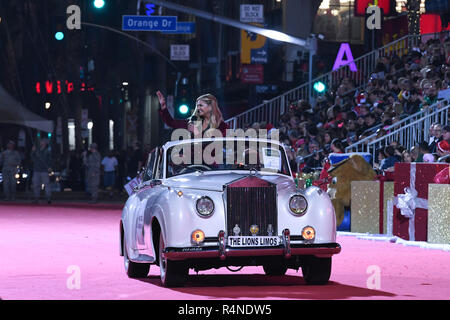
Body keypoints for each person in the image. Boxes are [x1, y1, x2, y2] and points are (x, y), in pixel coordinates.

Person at [156, 91, 229, 137]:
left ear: (210, 107)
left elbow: (216, 147)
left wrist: (198, 134)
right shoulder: (192, 122)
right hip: (190, 160)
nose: (198, 108)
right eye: (197, 106)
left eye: (201, 105)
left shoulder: (222, 126)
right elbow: (171, 122)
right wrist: (163, 107)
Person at [31, 139, 52, 204]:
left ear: (45, 143)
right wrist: (33, 152)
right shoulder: (37, 150)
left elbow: (50, 159)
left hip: (44, 170)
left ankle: (48, 198)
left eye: (42, 141)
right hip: (36, 169)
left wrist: (50, 167)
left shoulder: (47, 151)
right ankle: (36, 198)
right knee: (36, 184)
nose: (41, 142)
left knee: (47, 184)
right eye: (40, 141)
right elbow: (32, 158)